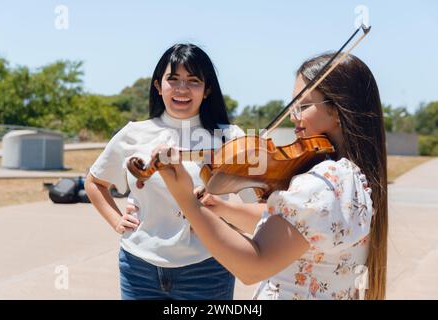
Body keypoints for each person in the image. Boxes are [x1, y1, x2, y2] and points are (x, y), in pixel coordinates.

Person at [152, 53, 388, 300]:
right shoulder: (349, 177)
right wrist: (220, 208)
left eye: (303, 106)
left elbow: (253, 266)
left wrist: (186, 201)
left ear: (338, 111)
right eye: (293, 106)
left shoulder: (324, 182)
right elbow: (287, 227)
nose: (293, 116)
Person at [85, 44, 250, 300]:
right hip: (138, 267)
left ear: (207, 90)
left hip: (207, 268)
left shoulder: (230, 137)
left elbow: (262, 204)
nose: (182, 89)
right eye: (173, 80)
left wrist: (225, 218)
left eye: (193, 81)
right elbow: (94, 183)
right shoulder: (134, 133)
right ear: (158, 86)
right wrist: (116, 220)